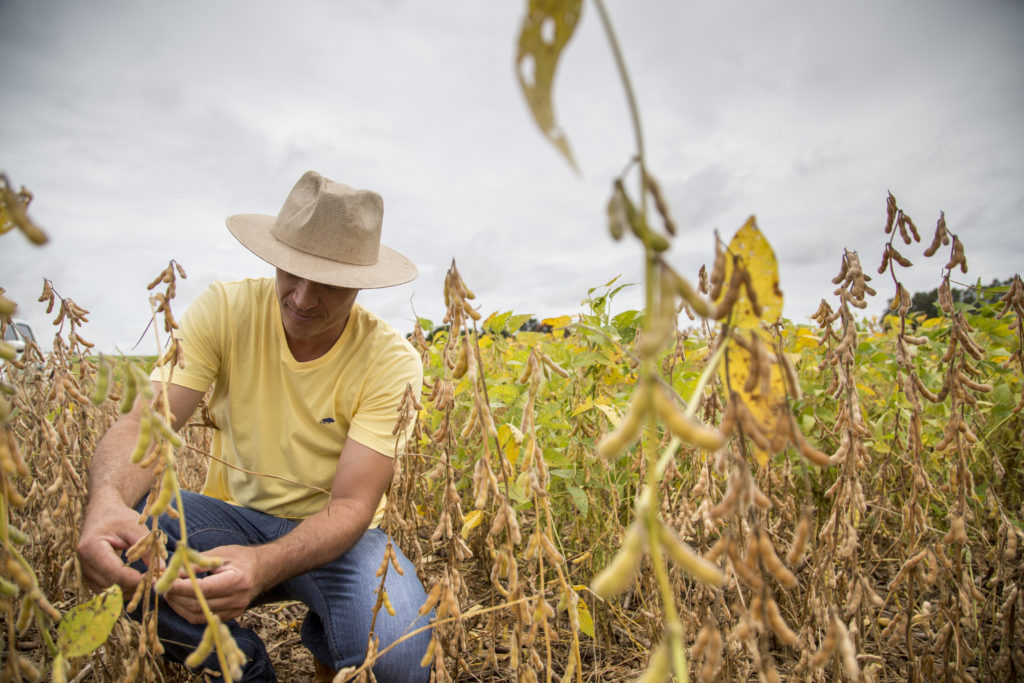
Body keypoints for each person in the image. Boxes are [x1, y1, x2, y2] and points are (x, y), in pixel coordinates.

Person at [77, 171, 433, 682]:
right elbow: (144, 424)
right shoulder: (225, 309)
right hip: (230, 518)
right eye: (291, 272)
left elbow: (352, 505)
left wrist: (263, 565)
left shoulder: (390, 361)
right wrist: (107, 502)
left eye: (329, 283)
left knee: (399, 657)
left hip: (339, 537)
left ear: (362, 281)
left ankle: (333, 642)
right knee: (117, 532)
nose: (304, 299)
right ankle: (241, 666)